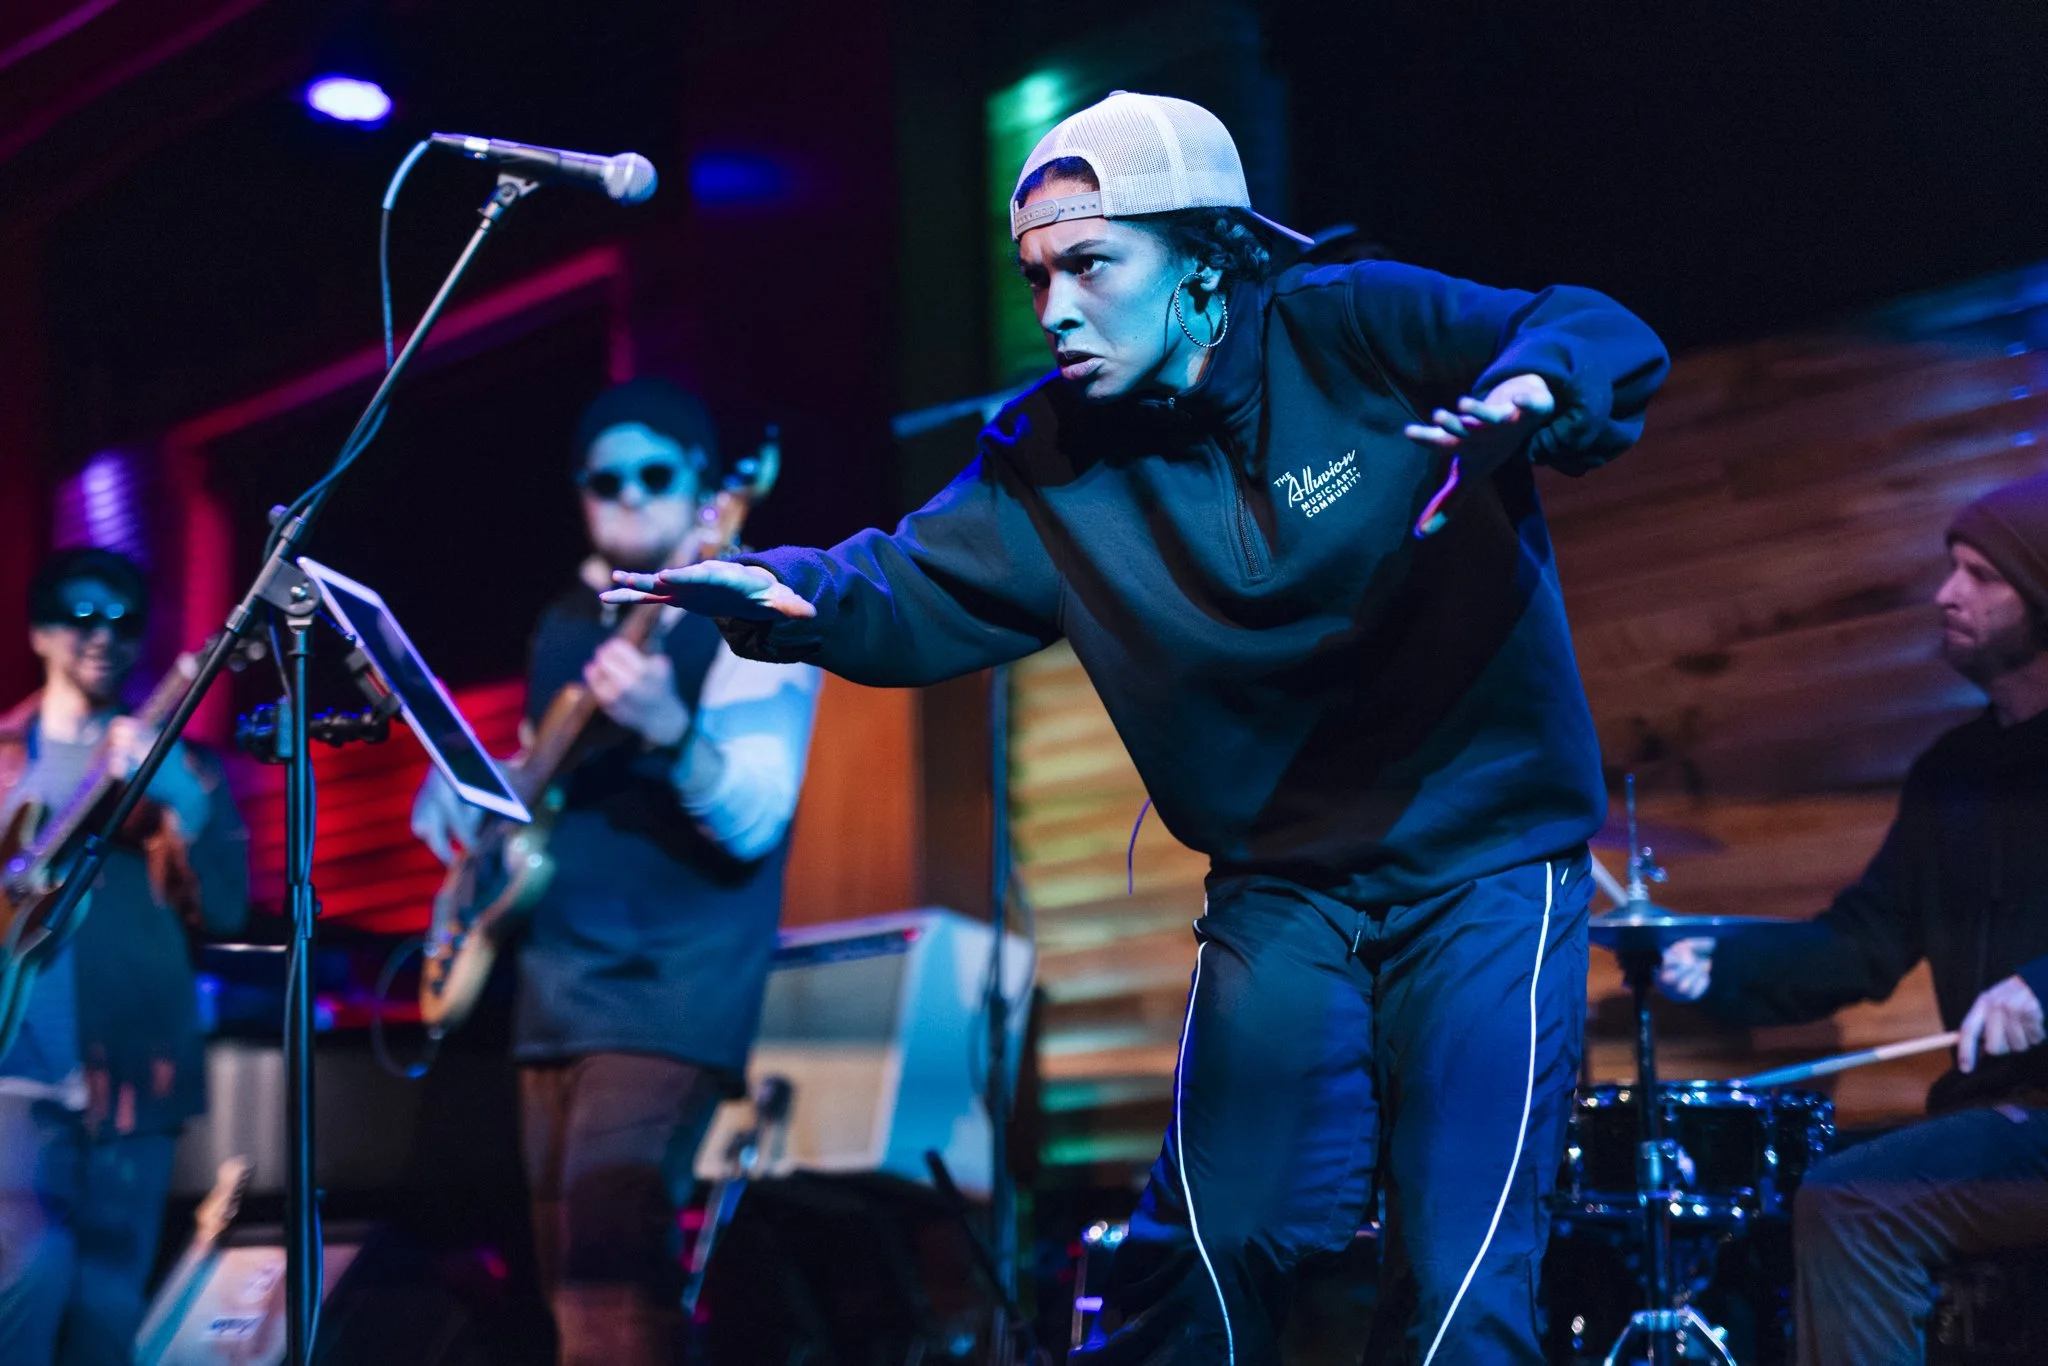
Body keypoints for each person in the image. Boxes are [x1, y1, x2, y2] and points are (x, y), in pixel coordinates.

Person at [605, 93, 1668, 1364]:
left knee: (1454, 1285)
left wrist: (1532, 391)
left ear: (1206, 256)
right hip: (1285, 886)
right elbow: (907, 580)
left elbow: (1585, 325)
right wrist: (791, 598)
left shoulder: (1351, 325)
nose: (1052, 307)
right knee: (1205, 1253)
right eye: (1035, 273)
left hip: (1484, 866)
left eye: (1090, 265)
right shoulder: (1048, 454)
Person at [412, 378, 822, 1366]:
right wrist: (461, 794)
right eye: (607, 478)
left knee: (612, 1277)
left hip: (664, 995)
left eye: (655, 474)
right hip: (553, 996)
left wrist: (672, 729)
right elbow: (528, 789)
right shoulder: (562, 624)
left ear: (701, 488)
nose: (630, 493)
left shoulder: (750, 610)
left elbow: (755, 816)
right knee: (567, 1294)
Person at [1659, 473, 2048, 1366]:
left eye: (1981, 574)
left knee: (1854, 1201)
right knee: (1818, 1183)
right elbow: (1863, 944)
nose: (1947, 593)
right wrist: (1720, 963)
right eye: (1949, 568)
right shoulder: (1952, 772)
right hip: (1999, 1116)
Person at [0, 546, 250, 1366]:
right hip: (15, 1086)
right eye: (79, 616)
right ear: (39, 631)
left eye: (123, 620)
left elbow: (224, 910)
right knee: (22, 1304)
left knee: (106, 1319)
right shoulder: (4, 760)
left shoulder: (186, 764)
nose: (101, 636)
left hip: (133, 1086)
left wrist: (178, 795)